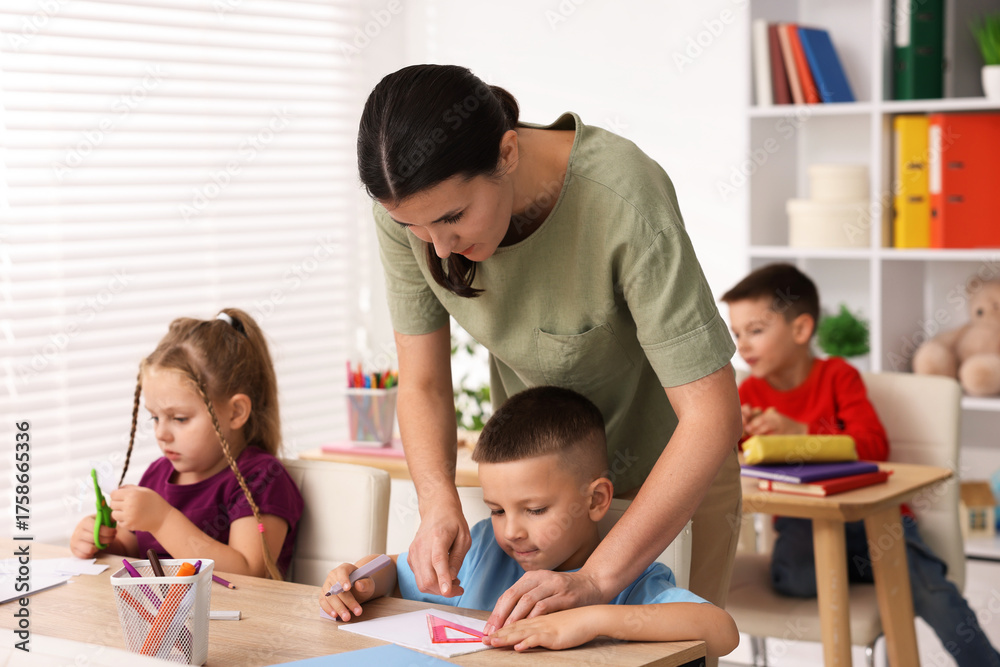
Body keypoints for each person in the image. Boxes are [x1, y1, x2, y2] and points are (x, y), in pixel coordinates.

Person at [358, 64, 743, 647]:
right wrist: (437, 502)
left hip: (672, 480)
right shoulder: (415, 209)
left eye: (453, 219)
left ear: (507, 153)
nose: (436, 247)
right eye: (411, 226)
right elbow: (424, 384)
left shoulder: (623, 199)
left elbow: (710, 414)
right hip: (540, 491)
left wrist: (596, 579)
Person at [320, 386, 739, 659]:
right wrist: (360, 580)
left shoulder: (629, 581)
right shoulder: (484, 549)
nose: (511, 531)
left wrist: (588, 620)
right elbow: (394, 572)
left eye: (535, 510)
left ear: (595, 500)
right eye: (497, 510)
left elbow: (721, 630)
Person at [722, 263, 1000, 667]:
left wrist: (799, 431)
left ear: (800, 330)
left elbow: (872, 446)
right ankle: (869, 574)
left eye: (756, 330)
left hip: (876, 521)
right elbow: (742, 467)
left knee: (936, 594)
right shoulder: (748, 392)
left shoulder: (837, 376)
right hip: (805, 528)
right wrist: (739, 438)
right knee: (794, 579)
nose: (743, 345)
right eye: (737, 333)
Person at [70, 308, 304, 580]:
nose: (161, 433)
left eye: (179, 418)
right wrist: (100, 542)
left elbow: (250, 573)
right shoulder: (157, 473)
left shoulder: (261, 479)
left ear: (236, 412)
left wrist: (162, 520)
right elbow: (131, 550)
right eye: (155, 417)